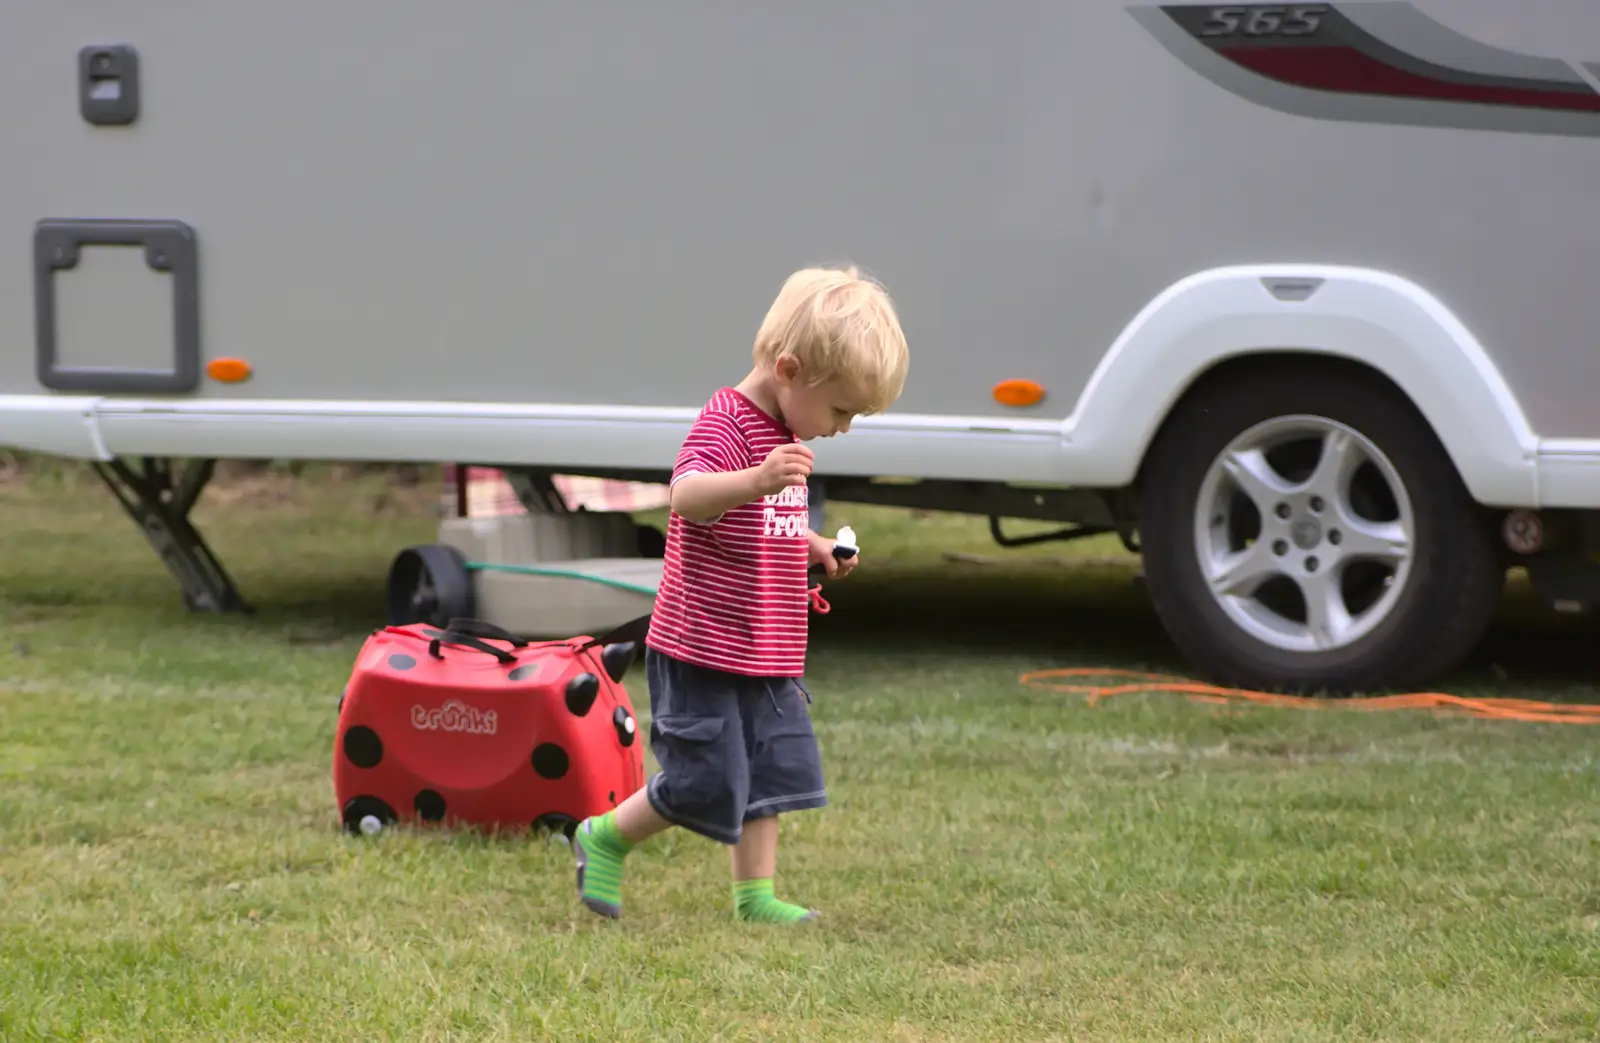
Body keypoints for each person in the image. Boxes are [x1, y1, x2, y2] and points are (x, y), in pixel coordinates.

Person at [572, 263, 910, 924]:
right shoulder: (727, 423)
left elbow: (769, 523)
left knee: (772, 772)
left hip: (768, 644)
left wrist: (814, 547)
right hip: (703, 643)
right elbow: (687, 495)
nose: (843, 427)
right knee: (706, 780)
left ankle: (755, 897)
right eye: (841, 409)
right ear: (789, 370)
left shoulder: (785, 433)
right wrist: (755, 477)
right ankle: (604, 835)